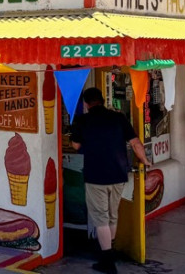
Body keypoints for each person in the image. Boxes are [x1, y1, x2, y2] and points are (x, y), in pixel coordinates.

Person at [69, 87, 151, 274]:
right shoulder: (118, 118)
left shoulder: (82, 120)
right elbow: (136, 143)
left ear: (86, 103)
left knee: (100, 218)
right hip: (118, 174)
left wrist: (88, 145)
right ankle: (110, 250)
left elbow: (75, 144)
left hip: (96, 175)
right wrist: (145, 161)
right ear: (103, 100)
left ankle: (107, 260)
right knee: (113, 214)